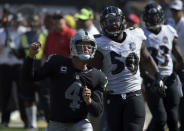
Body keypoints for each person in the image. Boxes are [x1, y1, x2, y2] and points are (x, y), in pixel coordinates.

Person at [91, 6, 166, 131]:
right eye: (109, 21)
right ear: (103, 24)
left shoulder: (136, 35)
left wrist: (158, 77)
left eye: (115, 20)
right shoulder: (100, 43)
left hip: (134, 94)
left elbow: (147, 59)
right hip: (112, 96)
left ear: (122, 21)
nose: (113, 24)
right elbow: (95, 71)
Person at [22, 30, 108, 131]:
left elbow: (97, 111)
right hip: (56, 123)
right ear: (73, 46)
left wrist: (89, 101)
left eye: (89, 46)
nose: (86, 49)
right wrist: (31, 56)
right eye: (81, 45)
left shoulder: (97, 76)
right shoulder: (57, 63)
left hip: (80, 123)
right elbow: (30, 78)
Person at [142, 2, 184, 131]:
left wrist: (178, 70)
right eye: (150, 16)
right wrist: (146, 77)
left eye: (155, 16)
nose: (153, 19)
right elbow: (140, 60)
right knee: (160, 119)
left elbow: (178, 55)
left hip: (169, 78)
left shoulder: (169, 30)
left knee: (172, 119)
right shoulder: (140, 34)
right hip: (152, 79)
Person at [169, 1, 184, 130]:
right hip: (174, 66)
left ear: (181, 11)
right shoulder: (170, 23)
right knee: (178, 98)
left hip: (182, 66)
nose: (174, 13)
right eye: (172, 10)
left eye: (176, 10)